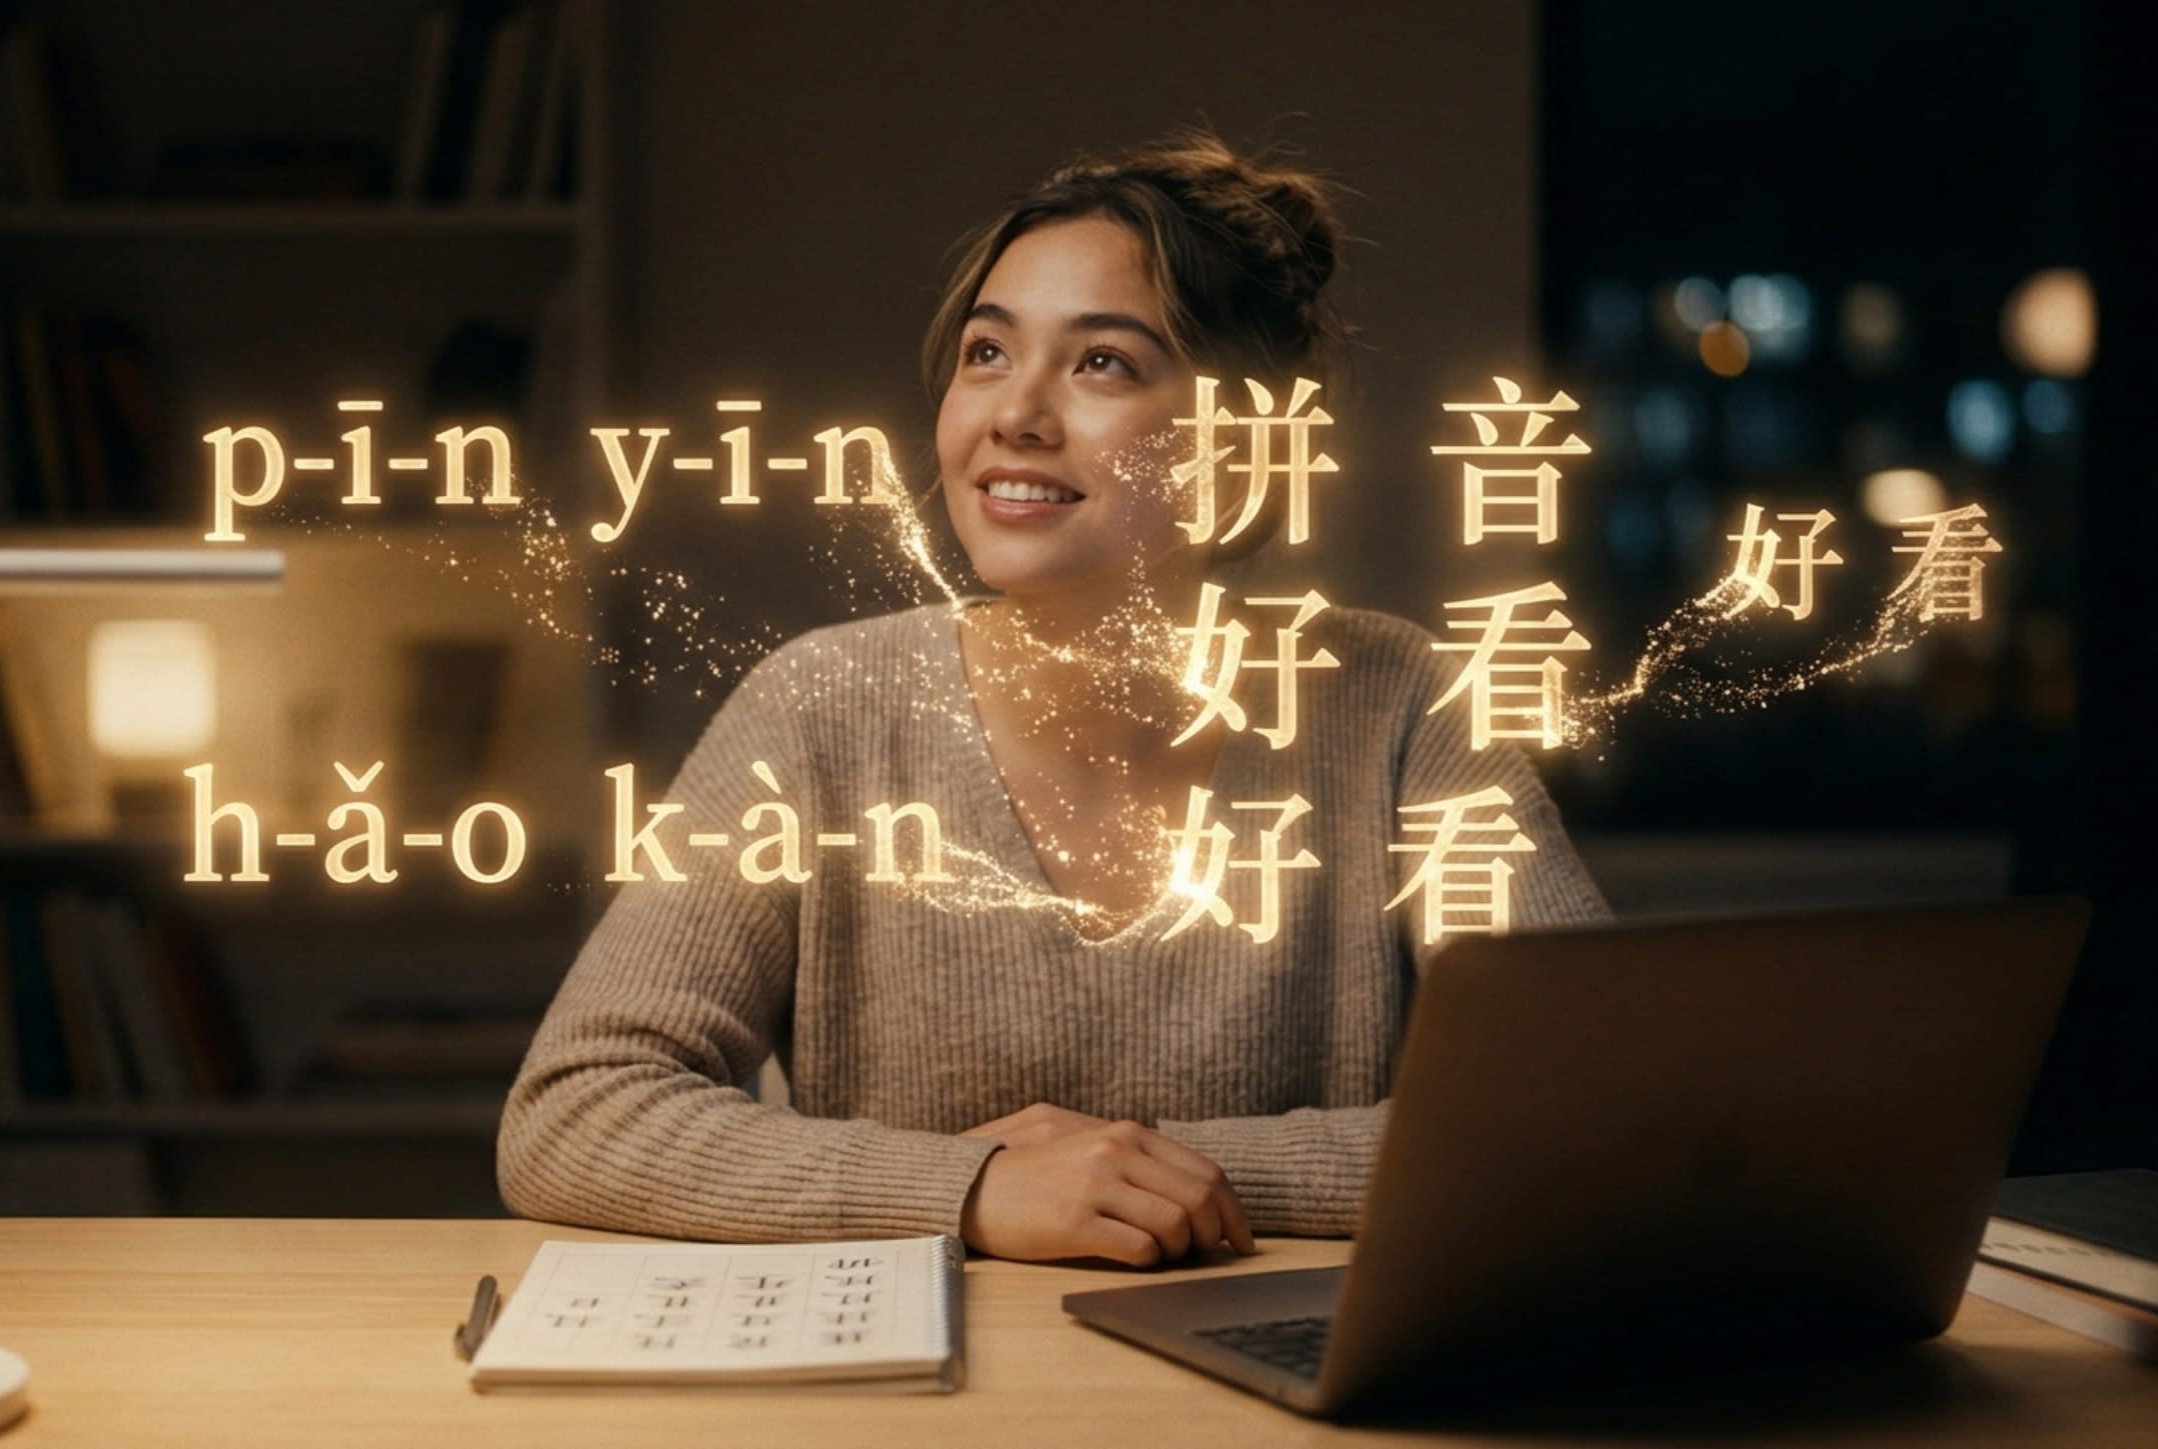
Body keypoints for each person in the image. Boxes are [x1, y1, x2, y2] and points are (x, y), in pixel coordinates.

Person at [498, 130, 1610, 1268]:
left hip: (1271, 1373)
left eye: (1102, 364)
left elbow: (1594, 1111)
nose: (1014, 414)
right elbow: (575, 1109)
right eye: (986, 352)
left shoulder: (1401, 707)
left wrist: (1158, 1175)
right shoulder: (820, 709)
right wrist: (971, 1186)